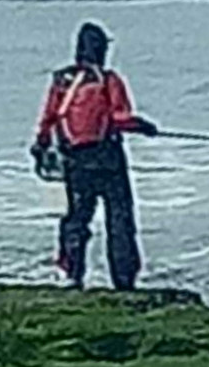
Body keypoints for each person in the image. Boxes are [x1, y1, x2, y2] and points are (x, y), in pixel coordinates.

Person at [30, 21, 158, 289]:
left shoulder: (61, 81)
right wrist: (144, 126)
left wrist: (40, 147)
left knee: (77, 218)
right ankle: (124, 281)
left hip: (75, 161)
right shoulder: (108, 80)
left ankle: (71, 275)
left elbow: (47, 120)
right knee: (120, 219)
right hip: (108, 158)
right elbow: (120, 117)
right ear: (101, 50)